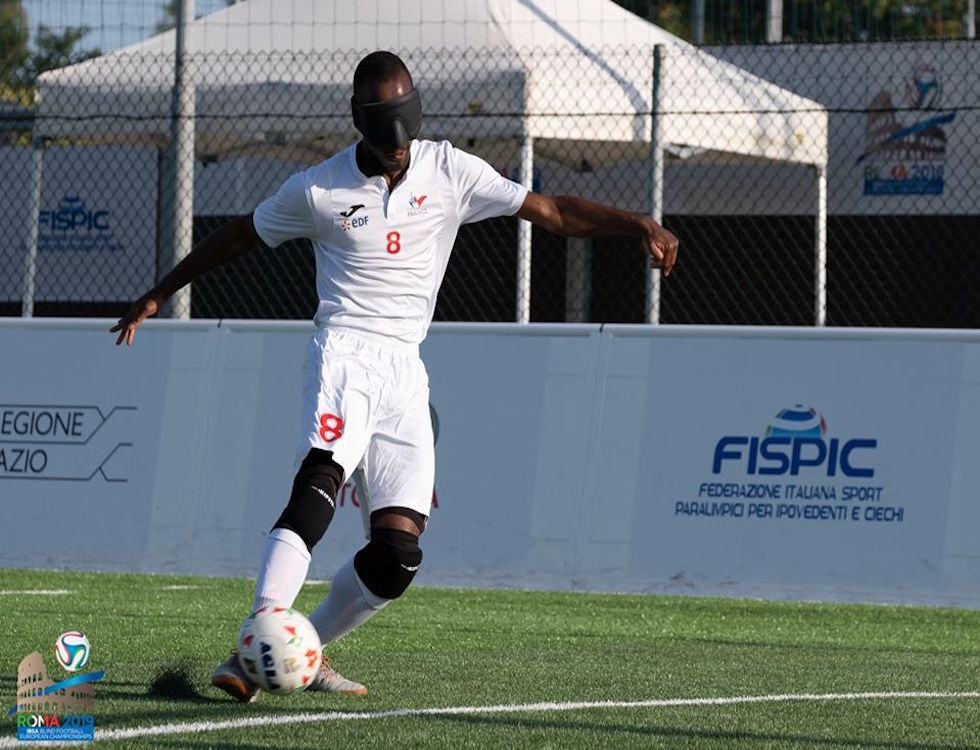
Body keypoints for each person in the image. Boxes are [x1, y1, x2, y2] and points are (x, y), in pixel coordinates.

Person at [111, 50, 678, 703]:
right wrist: (158, 292)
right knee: (320, 480)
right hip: (345, 352)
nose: (396, 153)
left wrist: (634, 222)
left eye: (403, 137)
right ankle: (259, 631)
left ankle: (303, 650)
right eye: (383, 141)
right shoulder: (317, 190)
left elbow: (550, 212)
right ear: (358, 122)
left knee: (398, 556)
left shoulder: (450, 169)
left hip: (406, 368)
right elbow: (239, 236)